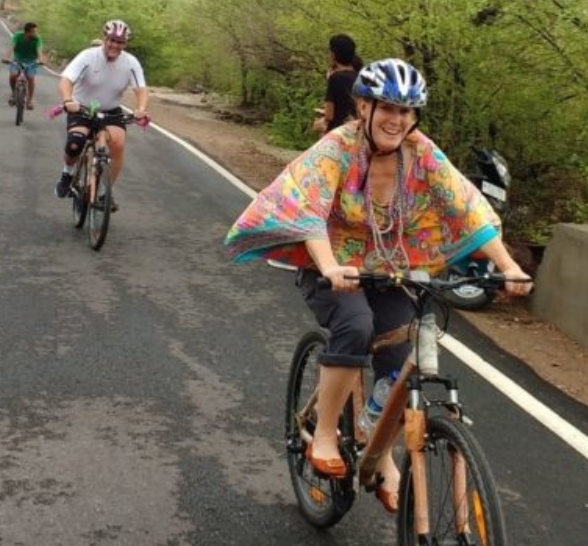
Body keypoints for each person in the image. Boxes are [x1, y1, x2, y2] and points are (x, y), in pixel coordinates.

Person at [224, 58, 532, 513]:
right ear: (363, 106)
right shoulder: (338, 148)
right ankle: (325, 434)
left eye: (407, 112)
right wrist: (329, 265)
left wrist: (508, 266)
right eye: (388, 107)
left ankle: (381, 451)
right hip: (332, 267)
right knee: (356, 324)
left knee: (402, 351)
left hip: (392, 268)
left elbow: (464, 204)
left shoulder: (421, 152)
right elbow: (308, 207)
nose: (398, 120)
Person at [54, 19, 151, 206]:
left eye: (120, 42)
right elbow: (66, 80)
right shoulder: (87, 56)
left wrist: (141, 109)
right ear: (105, 38)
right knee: (75, 143)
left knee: (119, 144)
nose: (115, 45)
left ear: (125, 43)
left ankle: (105, 192)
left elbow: (141, 89)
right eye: (112, 40)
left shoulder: (131, 62)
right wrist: (68, 100)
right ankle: (67, 173)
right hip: (81, 108)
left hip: (110, 111)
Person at [310, 33, 362, 137]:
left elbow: (329, 115)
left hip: (338, 133)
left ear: (333, 55)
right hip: (356, 130)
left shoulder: (335, 78)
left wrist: (319, 122)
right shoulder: (360, 77)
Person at [3, 22, 47, 109]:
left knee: (30, 78)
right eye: (33, 32)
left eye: (35, 31)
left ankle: (29, 100)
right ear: (26, 32)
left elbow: (39, 51)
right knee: (13, 75)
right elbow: (11, 47)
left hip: (31, 62)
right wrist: (6, 57)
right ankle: (13, 93)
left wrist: (41, 60)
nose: (35, 34)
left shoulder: (37, 39)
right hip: (18, 60)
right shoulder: (17, 36)